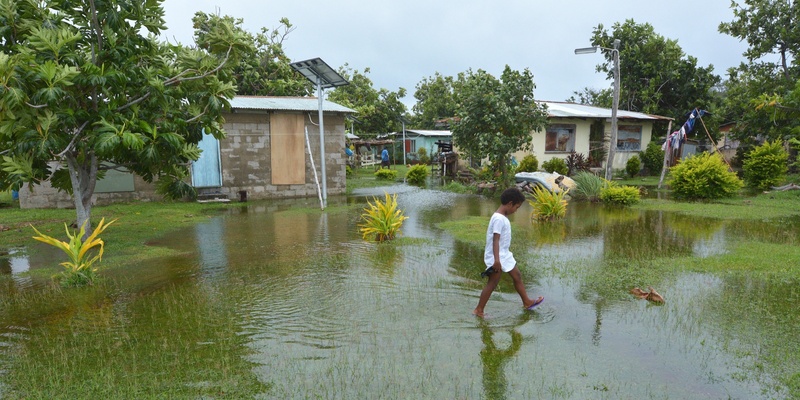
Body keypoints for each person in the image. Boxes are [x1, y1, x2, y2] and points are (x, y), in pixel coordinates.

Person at [473, 187, 544, 317]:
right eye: (516, 207)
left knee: (517, 275)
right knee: (492, 283)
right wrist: (496, 261)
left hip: (504, 254)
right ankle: (479, 310)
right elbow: (496, 239)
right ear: (510, 203)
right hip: (497, 257)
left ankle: (527, 302)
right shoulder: (499, 219)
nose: (516, 211)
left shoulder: (502, 217)